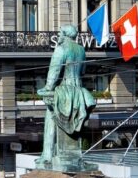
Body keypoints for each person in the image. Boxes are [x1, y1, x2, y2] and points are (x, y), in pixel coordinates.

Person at [36, 24, 97, 166]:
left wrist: (47, 88)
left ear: (64, 35)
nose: (58, 35)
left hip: (64, 91)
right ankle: (72, 155)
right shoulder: (81, 50)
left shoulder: (61, 48)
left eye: (59, 33)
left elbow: (54, 72)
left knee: (50, 117)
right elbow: (82, 72)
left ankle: (47, 155)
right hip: (78, 91)